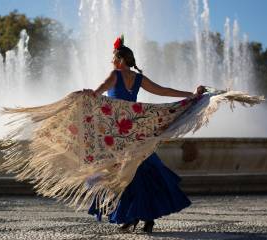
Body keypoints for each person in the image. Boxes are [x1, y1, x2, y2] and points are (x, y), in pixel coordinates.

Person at [86, 36, 205, 233]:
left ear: (119, 60)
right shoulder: (138, 78)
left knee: (122, 173)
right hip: (136, 130)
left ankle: (131, 216)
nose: (111, 62)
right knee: (142, 171)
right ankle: (145, 217)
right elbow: (164, 91)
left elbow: (97, 93)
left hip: (119, 134)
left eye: (113, 58)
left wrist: (84, 96)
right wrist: (190, 95)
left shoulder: (114, 75)